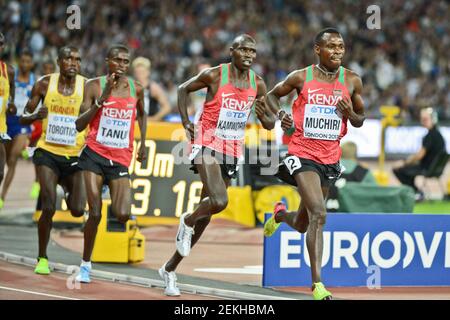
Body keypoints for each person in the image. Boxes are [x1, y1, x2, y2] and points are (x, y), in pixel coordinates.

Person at [159, 34, 275, 296]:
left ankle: (169, 268)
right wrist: (185, 121)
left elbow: (268, 123)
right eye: (243, 49)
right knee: (219, 200)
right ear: (232, 51)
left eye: (252, 51)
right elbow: (182, 89)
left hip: (232, 148)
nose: (248, 54)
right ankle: (186, 220)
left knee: (207, 215)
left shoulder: (257, 82)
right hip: (207, 140)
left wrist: (265, 118)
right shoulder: (214, 75)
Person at [264, 28, 366, 300]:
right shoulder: (301, 77)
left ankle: (279, 215)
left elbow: (360, 119)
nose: (337, 51)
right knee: (319, 214)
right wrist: (281, 115)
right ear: (317, 50)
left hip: (330, 158)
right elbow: (272, 96)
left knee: (301, 223)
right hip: (302, 153)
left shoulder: (352, 80)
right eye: (331, 46)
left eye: (341, 47)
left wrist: (350, 113)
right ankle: (317, 284)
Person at [75, 45, 147, 283]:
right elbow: (79, 124)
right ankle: (86, 264)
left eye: (126, 61)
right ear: (108, 61)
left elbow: (143, 114)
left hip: (119, 159)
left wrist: (143, 143)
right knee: (94, 213)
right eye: (117, 60)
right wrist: (102, 99)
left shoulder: (137, 89)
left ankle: (108, 189)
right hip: (93, 154)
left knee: (123, 214)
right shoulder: (93, 85)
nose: (122, 65)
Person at [19, 46, 87, 275]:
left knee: (77, 210)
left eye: (77, 59)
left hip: (75, 156)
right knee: (48, 206)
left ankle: (68, 191)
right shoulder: (44, 84)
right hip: (47, 152)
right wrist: (35, 116)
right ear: (59, 61)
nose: (73, 63)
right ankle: (42, 257)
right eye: (68, 58)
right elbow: (23, 115)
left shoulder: (86, 86)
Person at [1, 50, 35, 207]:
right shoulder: (10, 74)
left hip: (24, 122)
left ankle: (2, 196)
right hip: (8, 120)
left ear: (32, 64)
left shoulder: (35, 80)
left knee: (13, 159)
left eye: (28, 61)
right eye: (22, 61)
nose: (24, 64)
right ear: (19, 61)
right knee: (6, 160)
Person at [393, 107, 446, 201]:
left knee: (398, 169)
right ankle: (416, 192)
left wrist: (404, 162)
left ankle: (415, 192)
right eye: (422, 119)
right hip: (435, 169)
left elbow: (419, 155)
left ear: (433, 119)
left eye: (425, 119)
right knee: (407, 170)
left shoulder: (430, 136)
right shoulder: (438, 135)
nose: (423, 121)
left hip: (426, 168)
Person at [28, 59, 57, 200]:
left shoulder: (59, 84)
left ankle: (40, 181)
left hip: (53, 126)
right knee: (35, 151)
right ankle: (36, 179)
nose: (48, 71)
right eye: (46, 68)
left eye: (50, 68)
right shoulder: (40, 84)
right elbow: (30, 106)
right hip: (39, 123)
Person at [326, 141, 377, 211]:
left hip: (328, 213)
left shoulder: (326, 169)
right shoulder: (364, 172)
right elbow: (374, 194)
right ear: (356, 154)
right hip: (356, 214)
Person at [131, 56, 171, 121]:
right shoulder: (131, 86)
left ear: (148, 72)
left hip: (149, 123)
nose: (140, 75)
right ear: (134, 73)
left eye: (142, 72)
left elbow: (167, 107)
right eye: (138, 72)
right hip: (134, 122)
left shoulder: (153, 88)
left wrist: (155, 118)